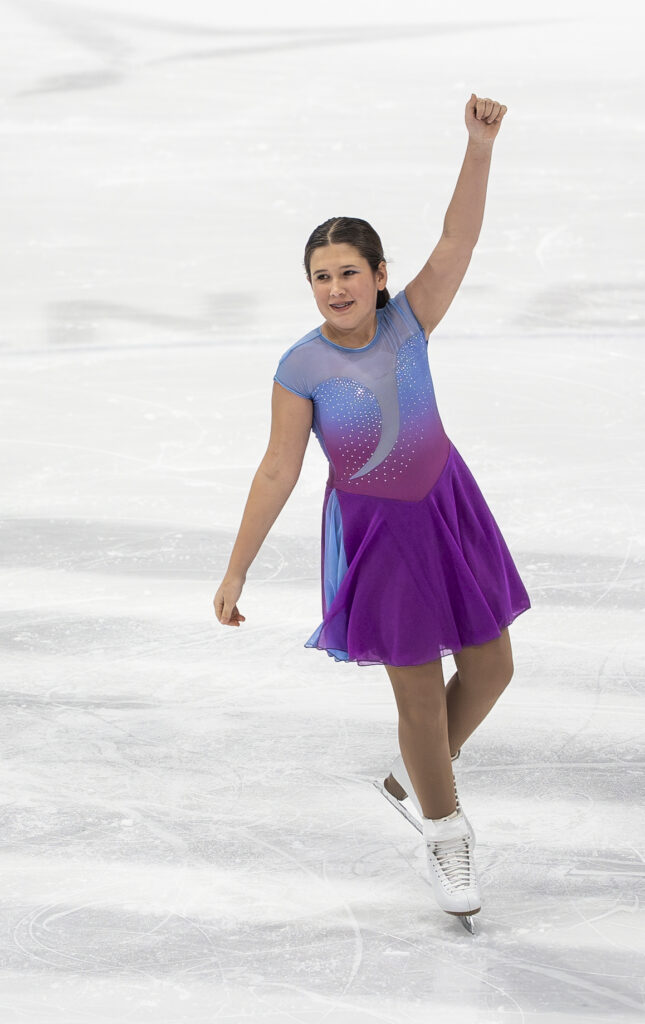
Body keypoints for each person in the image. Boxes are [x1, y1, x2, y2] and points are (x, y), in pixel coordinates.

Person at [213, 94, 530, 928]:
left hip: (446, 508)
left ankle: (413, 776)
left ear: (379, 275)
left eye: (349, 271)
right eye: (321, 276)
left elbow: (457, 241)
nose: (335, 287)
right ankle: (442, 825)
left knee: (492, 668)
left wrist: (477, 148)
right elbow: (280, 466)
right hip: (381, 535)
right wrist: (238, 564)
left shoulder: (410, 323)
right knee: (419, 699)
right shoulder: (300, 367)